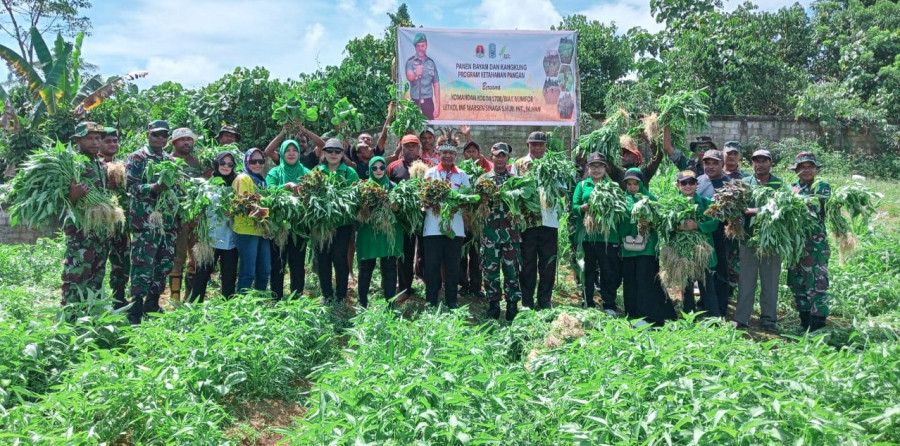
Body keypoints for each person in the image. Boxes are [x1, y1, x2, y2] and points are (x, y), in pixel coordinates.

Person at [125, 120, 178, 324]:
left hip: (167, 223)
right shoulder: (138, 157)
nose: (161, 138)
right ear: (148, 135)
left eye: (164, 135)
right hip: (145, 222)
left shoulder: (170, 160)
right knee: (142, 266)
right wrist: (155, 187)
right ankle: (135, 309)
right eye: (157, 135)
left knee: (164, 264)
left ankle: (152, 305)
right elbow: (131, 187)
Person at [61, 122, 114, 308]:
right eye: (89, 138)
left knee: (96, 277)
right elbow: (56, 198)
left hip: (99, 231)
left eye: (98, 138)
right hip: (80, 231)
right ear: (78, 140)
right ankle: (69, 319)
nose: (95, 142)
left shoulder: (100, 164)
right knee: (76, 276)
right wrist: (72, 196)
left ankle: (91, 318)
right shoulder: (70, 162)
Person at [732, 149, 784, 332]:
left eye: (764, 160)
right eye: (756, 161)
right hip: (748, 238)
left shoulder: (779, 184)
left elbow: (782, 208)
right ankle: (741, 318)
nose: (760, 164)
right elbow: (736, 207)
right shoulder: (745, 183)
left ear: (771, 163)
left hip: (771, 241)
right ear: (752, 163)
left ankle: (769, 319)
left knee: (770, 281)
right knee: (746, 280)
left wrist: (754, 211)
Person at [513, 131, 563, 310]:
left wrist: (552, 190)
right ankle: (527, 301)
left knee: (548, 263)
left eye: (541, 144)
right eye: (534, 144)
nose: (537, 147)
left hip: (549, 221)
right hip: (527, 222)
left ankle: (545, 301)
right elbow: (512, 188)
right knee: (527, 263)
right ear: (528, 145)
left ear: (545, 147)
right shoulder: (519, 164)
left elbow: (563, 189)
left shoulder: (554, 164)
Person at [619, 168, 676, 326]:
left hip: (647, 249)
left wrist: (648, 221)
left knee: (646, 281)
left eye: (635, 184)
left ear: (641, 183)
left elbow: (659, 221)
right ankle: (633, 314)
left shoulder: (650, 199)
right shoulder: (622, 200)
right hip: (628, 249)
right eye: (629, 184)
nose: (632, 187)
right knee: (630, 282)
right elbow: (620, 223)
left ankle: (649, 315)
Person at [571, 152, 622, 316]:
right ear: (588, 168)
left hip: (608, 236)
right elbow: (574, 206)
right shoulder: (582, 185)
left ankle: (609, 304)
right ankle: (588, 301)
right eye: (593, 166)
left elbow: (619, 207)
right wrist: (583, 208)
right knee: (588, 270)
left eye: (600, 166)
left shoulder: (612, 186)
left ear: (605, 168)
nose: (597, 169)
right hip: (588, 235)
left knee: (608, 270)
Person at [422, 143, 471, 308]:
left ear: (455, 155)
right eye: (445, 153)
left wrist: (460, 202)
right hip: (433, 228)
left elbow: (468, 199)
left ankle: (452, 301)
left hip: (455, 228)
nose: (448, 156)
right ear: (438, 154)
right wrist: (429, 201)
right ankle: (431, 301)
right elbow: (422, 197)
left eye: (451, 153)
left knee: (452, 266)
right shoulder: (430, 173)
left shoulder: (462, 175)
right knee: (432, 266)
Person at [788, 152, 831, 332]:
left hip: (815, 246)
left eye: (810, 166)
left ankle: (818, 325)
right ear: (796, 170)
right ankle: (804, 322)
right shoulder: (791, 188)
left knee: (817, 283)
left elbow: (821, 206)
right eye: (802, 167)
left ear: (816, 169)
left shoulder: (822, 187)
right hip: (795, 246)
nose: (806, 170)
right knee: (797, 282)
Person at [314, 138, 360, 303]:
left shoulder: (349, 172)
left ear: (342, 154)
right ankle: (327, 295)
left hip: (343, 224)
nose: (333, 154)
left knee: (340, 258)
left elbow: (356, 196)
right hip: (322, 225)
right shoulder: (317, 172)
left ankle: (341, 295)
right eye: (330, 151)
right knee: (323, 258)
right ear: (324, 153)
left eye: (337, 151)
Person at [479, 142, 521, 320]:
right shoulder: (483, 180)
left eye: (504, 155)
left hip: (511, 234)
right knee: (490, 270)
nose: (500, 159)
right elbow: (476, 205)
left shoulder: (516, 180)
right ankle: (493, 304)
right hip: (490, 235)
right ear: (492, 157)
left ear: (508, 158)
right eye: (497, 155)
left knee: (512, 270)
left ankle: (512, 305)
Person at [190, 151, 239, 301]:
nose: (226, 166)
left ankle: (227, 308)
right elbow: (197, 210)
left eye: (230, 164)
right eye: (222, 163)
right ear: (216, 164)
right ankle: (195, 307)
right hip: (209, 238)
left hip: (230, 238)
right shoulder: (206, 185)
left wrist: (234, 211)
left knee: (229, 276)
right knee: (202, 275)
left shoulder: (237, 184)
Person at [265, 139, 310, 300]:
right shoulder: (275, 172)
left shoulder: (306, 173)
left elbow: (314, 192)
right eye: (287, 150)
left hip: (300, 226)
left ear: (299, 153)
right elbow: (268, 191)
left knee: (297, 264)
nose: (291, 153)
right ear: (282, 154)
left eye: (295, 150)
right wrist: (285, 187)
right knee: (278, 263)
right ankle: (276, 298)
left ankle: (296, 298)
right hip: (279, 226)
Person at [356, 156, 403, 307]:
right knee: (365, 267)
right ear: (369, 169)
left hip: (388, 234)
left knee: (389, 268)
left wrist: (395, 206)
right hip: (368, 235)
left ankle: (390, 304)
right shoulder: (363, 188)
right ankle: (362, 302)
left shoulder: (393, 187)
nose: (378, 170)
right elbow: (356, 212)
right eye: (374, 168)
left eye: (381, 167)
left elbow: (401, 211)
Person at [674, 170, 722, 317]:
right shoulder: (673, 204)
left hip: (703, 252)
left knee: (707, 285)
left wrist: (697, 226)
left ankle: (713, 317)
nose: (688, 186)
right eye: (684, 183)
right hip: (684, 252)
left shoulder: (707, 203)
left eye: (691, 182)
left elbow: (714, 223)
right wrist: (677, 226)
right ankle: (689, 315)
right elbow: (664, 224)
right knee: (686, 285)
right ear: (678, 185)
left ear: (696, 184)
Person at [167, 127, 207, 301]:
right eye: (182, 139)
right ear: (174, 143)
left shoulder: (198, 162)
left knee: (196, 256)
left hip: (197, 216)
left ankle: (190, 296)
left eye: (189, 139)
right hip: (178, 216)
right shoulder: (168, 161)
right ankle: (174, 298)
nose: (186, 142)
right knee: (178, 256)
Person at [696, 149, 734, 315]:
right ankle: (704, 303)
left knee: (720, 272)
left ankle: (720, 308)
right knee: (702, 270)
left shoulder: (730, 184)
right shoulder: (698, 181)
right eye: (707, 163)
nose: (710, 166)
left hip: (721, 234)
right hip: (701, 233)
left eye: (714, 163)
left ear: (722, 164)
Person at [389, 134, 426, 297]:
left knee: (426, 253)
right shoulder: (394, 167)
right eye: (407, 146)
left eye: (413, 146)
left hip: (425, 217)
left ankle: (430, 286)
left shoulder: (428, 165)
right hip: (403, 219)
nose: (411, 149)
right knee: (405, 253)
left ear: (418, 148)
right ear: (401, 148)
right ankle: (405, 288)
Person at [99, 126, 130, 308]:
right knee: (97, 263)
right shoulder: (93, 165)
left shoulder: (122, 166)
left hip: (121, 226)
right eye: (108, 141)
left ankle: (118, 298)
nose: (112, 144)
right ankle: (96, 300)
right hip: (100, 224)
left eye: (115, 141)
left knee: (122, 262)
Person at [233, 148, 272, 293]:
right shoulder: (243, 178)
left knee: (264, 270)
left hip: (261, 230)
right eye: (253, 161)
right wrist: (266, 219)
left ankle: (259, 302)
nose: (257, 164)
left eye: (261, 161)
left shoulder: (262, 181)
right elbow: (245, 204)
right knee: (248, 271)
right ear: (246, 161)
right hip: (246, 230)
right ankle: (243, 304)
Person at [607, 126, 675, 187]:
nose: (623, 157)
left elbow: (658, 156)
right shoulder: (618, 174)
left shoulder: (645, 173)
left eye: (627, 154)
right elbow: (606, 161)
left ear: (636, 159)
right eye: (623, 155)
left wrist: (647, 138)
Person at [405, 32, 440, 120]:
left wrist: (438, 106)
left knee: (429, 130)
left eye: (423, 45)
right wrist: (416, 73)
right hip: (415, 102)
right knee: (414, 130)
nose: (421, 48)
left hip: (428, 102)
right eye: (418, 46)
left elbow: (436, 84)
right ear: (415, 47)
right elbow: (409, 77)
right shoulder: (410, 62)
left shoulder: (431, 63)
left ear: (426, 45)